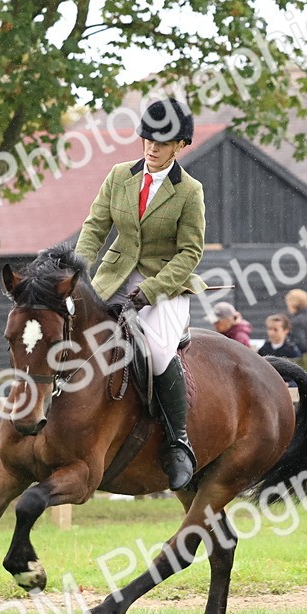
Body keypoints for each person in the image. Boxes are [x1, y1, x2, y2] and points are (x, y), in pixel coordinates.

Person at [74, 98, 205, 490]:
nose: (151, 148)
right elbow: (95, 227)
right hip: (112, 279)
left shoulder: (189, 191)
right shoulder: (119, 176)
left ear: (180, 145)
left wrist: (150, 290)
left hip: (164, 288)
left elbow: (190, 252)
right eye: (147, 139)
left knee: (160, 351)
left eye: (162, 143)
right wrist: (77, 275)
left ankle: (178, 443)